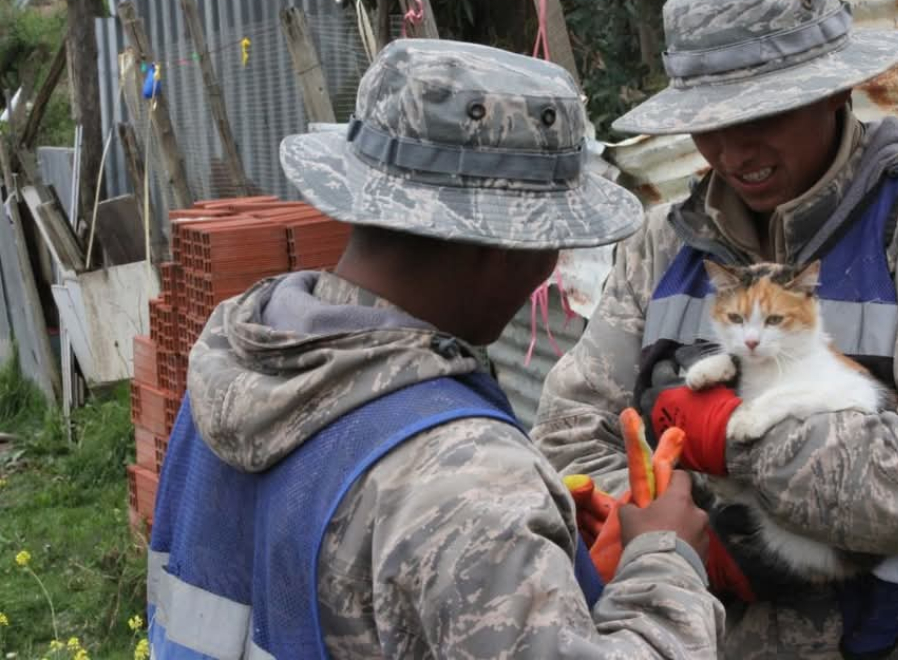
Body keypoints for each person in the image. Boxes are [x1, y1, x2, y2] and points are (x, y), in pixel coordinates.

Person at [535, 0, 898, 659]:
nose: (736, 152)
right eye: (710, 124)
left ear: (838, 90)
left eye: (764, 116)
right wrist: (671, 539)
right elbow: (565, 436)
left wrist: (745, 446)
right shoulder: (664, 247)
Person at [144, 39, 727, 659]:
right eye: (556, 240)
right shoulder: (470, 480)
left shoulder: (235, 368)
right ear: (506, 247)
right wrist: (664, 560)